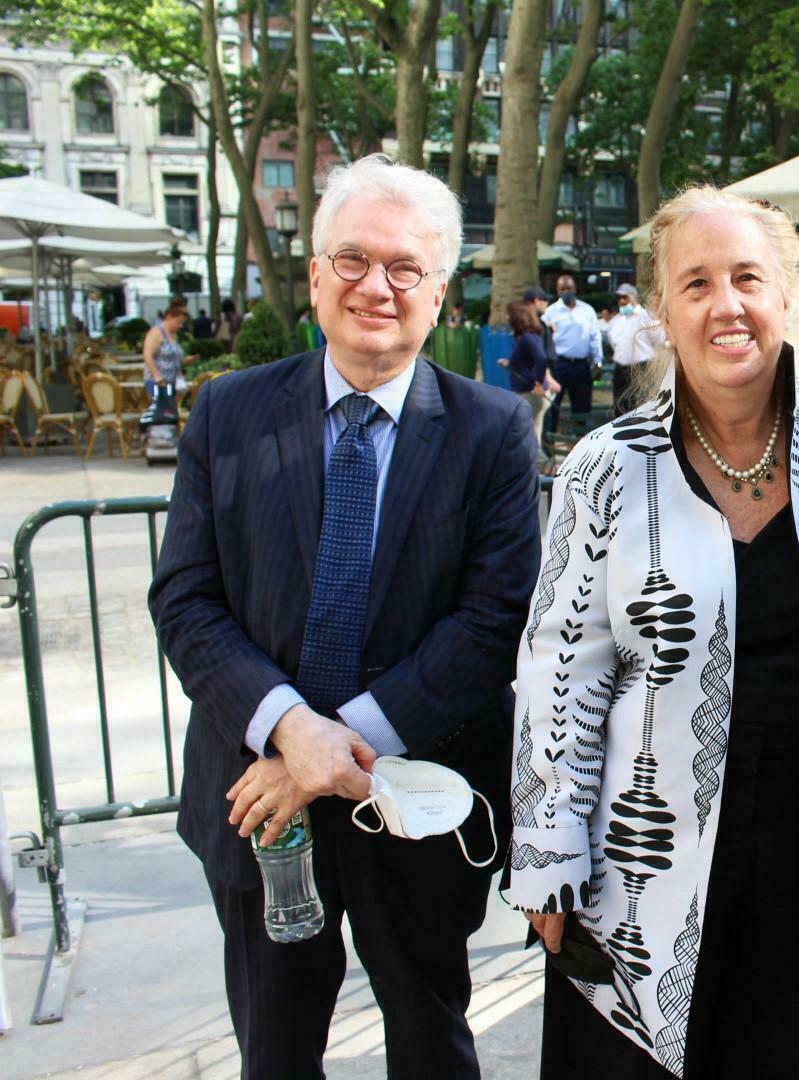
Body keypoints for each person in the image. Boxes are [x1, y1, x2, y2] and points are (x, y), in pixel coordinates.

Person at [148, 153, 542, 1080]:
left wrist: (337, 750)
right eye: (354, 259)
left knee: (432, 1040)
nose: (377, 286)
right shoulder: (229, 413)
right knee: (275, 1052)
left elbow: (493, 621)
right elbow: (186, 599)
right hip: (260, 801)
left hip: (418, 797)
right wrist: (293, 734)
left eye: (405, 267)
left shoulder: (493, 431)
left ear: (438, 294)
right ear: (317, 274)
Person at [509, 185, 799, 1079]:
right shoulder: (607, 466)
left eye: (748, 278)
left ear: (786, 295)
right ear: (661, 310)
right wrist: (546, 854)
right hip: (639, 868)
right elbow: (559, 670)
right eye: (697, 283)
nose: (727, 305)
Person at [540, 272, 603, 439]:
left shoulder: (587, 310)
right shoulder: (550, 312)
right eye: (562, 289)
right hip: (558, 365)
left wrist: (598, 361)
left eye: (568, 288)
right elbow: (543, 340)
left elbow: (595, 337)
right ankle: (549, 445)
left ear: (575, 289)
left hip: (581, 365)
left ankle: (581, 444)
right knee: (552, 407)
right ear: (557, 291)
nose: (566, 291)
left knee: (582, 407)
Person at [498, 299, 561, 456]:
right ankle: (541, 465)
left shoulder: (528, 337)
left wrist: (539, 383)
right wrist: (509, 363)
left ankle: (543, 465)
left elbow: (541, 358)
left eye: (509, 314)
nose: (507, 317)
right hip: (528, 392)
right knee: (533, 435)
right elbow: (528, 362)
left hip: (530, 393)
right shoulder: (527, 336)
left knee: (528, 437)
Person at [605, 282, 662, 416]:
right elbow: (614, 343)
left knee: (642, 406)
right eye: (619, 298)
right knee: (620, 407)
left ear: (634, 297)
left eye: (625, 297)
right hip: (621, 368)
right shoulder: (615, 321)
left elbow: (659, 340)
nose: (622, 301)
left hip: (642, 368)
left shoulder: (646, 317)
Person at [142, 303, 194, 411]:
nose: (180, 326)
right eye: (178, 322)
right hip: (159, 382)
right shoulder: (156, 332)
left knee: (170, 412)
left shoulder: (173, 335)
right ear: (169, 317)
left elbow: (171, 359)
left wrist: (184, 361)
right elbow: (147, 354)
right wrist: (157, 376)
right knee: (162, 412)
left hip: (172, 381)